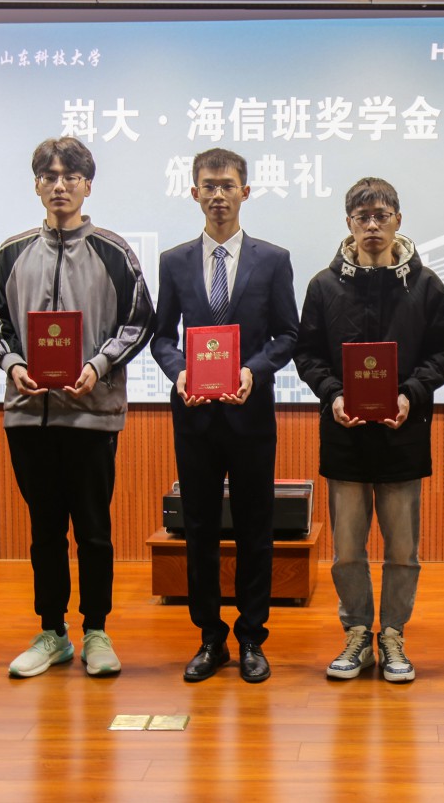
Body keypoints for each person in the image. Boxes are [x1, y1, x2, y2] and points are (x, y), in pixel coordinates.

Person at [0, 137, 154, 679]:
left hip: (91, 413)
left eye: (70, 176)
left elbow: (139, 320)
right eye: (49, 176)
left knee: (94, 530)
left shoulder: (113, 251)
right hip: (28, 414)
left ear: (87, 185)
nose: (60, 186)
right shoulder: (11, 252)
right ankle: (52, 632)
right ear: (36, 184)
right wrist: (13, 365)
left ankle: (97, 630)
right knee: (45, 531)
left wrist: (97, 366)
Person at [294, 177, 444, 682]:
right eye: (362, 217)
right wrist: (334, 395)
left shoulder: (426, 286)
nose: (372, 226)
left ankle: (394, 635)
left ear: (397, 221)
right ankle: (358, 633)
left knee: (403, 550)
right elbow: (307, 354)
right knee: (347, 550)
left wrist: (409, 394)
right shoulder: (323, 286)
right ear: (349, 224)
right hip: (344, 435)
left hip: (403, 433)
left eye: (381, 216)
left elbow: (442, 354)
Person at [151, 148, 299, 684]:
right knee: (200, 530)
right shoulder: (173, 261)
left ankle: (252, 636)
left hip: (250, 415)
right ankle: (210, 637)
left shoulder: (273, 259)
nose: (218, 195)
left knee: (256, 528)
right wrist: (179, 372)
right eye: (209, 186)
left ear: (245, 191)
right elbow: (162, 337)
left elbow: (288, 333)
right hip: (194, 416)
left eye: (228, 185)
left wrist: (253, 371)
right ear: (194, 193)